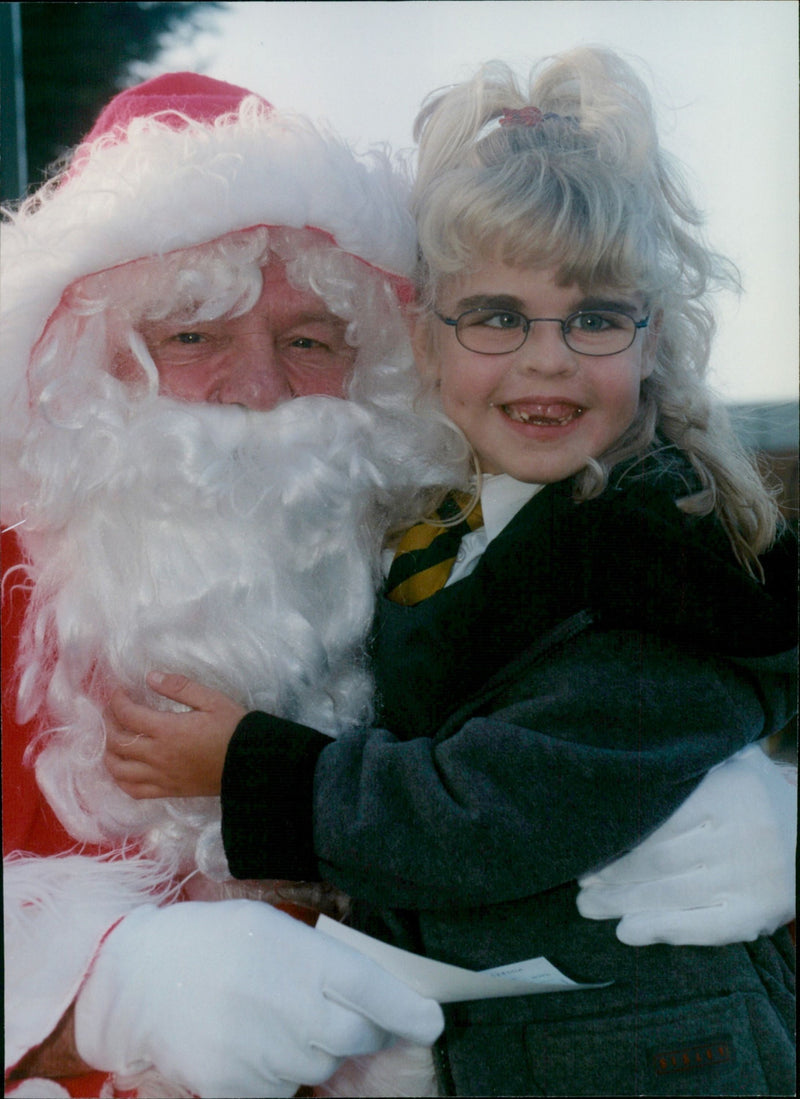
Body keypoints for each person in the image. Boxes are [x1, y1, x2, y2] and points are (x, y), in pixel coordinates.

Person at [104, 51, 797, 1097]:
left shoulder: (660, 560)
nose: (546, 358)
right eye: (496, 316)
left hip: (650, 1050)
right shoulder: (446, 516)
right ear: (422, 337)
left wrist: (248, 768)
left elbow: (490, 811)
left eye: (596, 317)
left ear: (651, 340)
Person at [2, 71, 458, 1099]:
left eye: (306, 342)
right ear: (86, 370)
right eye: (193, 337)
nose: (258, 394)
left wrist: (696, 799)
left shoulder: (431, 569)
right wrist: (97, 992)